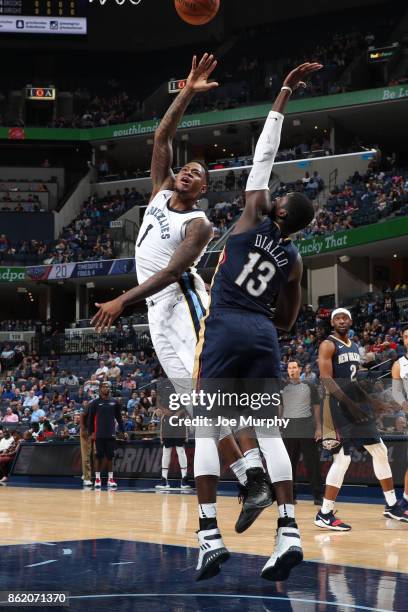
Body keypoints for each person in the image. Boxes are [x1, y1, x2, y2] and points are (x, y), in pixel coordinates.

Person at [91, 54, 273, 523]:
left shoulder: (200, 223)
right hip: (155, 310)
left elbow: (174, 273)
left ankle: (256, 473)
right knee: (196, 403)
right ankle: (250, 477)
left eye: (199, 173)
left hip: (184, 301)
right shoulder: (157, 193)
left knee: (208, 391)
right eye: (185, 168)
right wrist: (188, 90)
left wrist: (120, 301)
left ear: (204, 190)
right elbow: (162, 137)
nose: (189, 171)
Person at [191, 62, 321, 582]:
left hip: (225, 326)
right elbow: (291, 318)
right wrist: (271, 320)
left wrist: (283, 93)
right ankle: (289, 530)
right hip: (264, 333)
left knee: (205, 418)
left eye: (280, 196)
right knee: (269, 432)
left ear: (278, 209)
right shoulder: (295, 259)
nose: (276, 193)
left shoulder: (249, 218)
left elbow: (264, 155)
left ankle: (214, 526)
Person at [315, 308, 405, 531]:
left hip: (355, 403)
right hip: (337, 405)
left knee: (380, 451)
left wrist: (371, 402)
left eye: (345, 317)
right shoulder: (328, 344)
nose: (342, 320)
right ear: (333, 323)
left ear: (351, 320)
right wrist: (351, 405)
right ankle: (324, 513)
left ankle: (392, 505)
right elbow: (326, 379)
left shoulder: (355, 346)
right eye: (337, 318)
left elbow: (354, 382)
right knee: (342, 459)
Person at [281, 360, 323, 504]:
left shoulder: (310, 386)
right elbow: (279, 407)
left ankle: (318, 496)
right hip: (288, 427)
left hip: (306, 426)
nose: (292, 370)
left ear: (300, 369)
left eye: (294, 367)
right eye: (289, 368)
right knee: (289, 464)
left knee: (312, 463)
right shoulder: (282, 387)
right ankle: (290, 496)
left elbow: (317, 407)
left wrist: (318, 427)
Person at [87, 382, 124, 489]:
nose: (107, 388)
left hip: (111, 433)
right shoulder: (95, 403)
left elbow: (119, 418)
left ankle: (110, 479)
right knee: (99, 456)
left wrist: (122, 430)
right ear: (100, 389)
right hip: (99, 434)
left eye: (108, 387)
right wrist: (91, 432)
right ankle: (97, 479)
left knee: (110, 457)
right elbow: (90, 419)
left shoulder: (114, 402)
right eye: (104, 387)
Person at [391, 326, 408, 520]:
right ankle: (405, 500)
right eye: (405, 337)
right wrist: (404, 405)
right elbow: (396, 392)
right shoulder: (398, 364)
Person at [156, 406, 190, 490]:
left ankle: (184, 479)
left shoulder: (182, 394)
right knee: (166, 452)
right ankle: (164, 479)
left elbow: (188, 405)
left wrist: (180, 411)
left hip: (179, 422)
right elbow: (159, 406)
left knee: (181, 450)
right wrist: (163, 410)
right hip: (167, 423)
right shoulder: (165, 394)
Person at [80, 399, 93, 487]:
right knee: (86, 455)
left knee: (93, 454)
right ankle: (87, 478)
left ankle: (86, 474)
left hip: (94, 431)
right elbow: (82, 416)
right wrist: (83, 429)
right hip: (86, 431)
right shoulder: (91, 405)